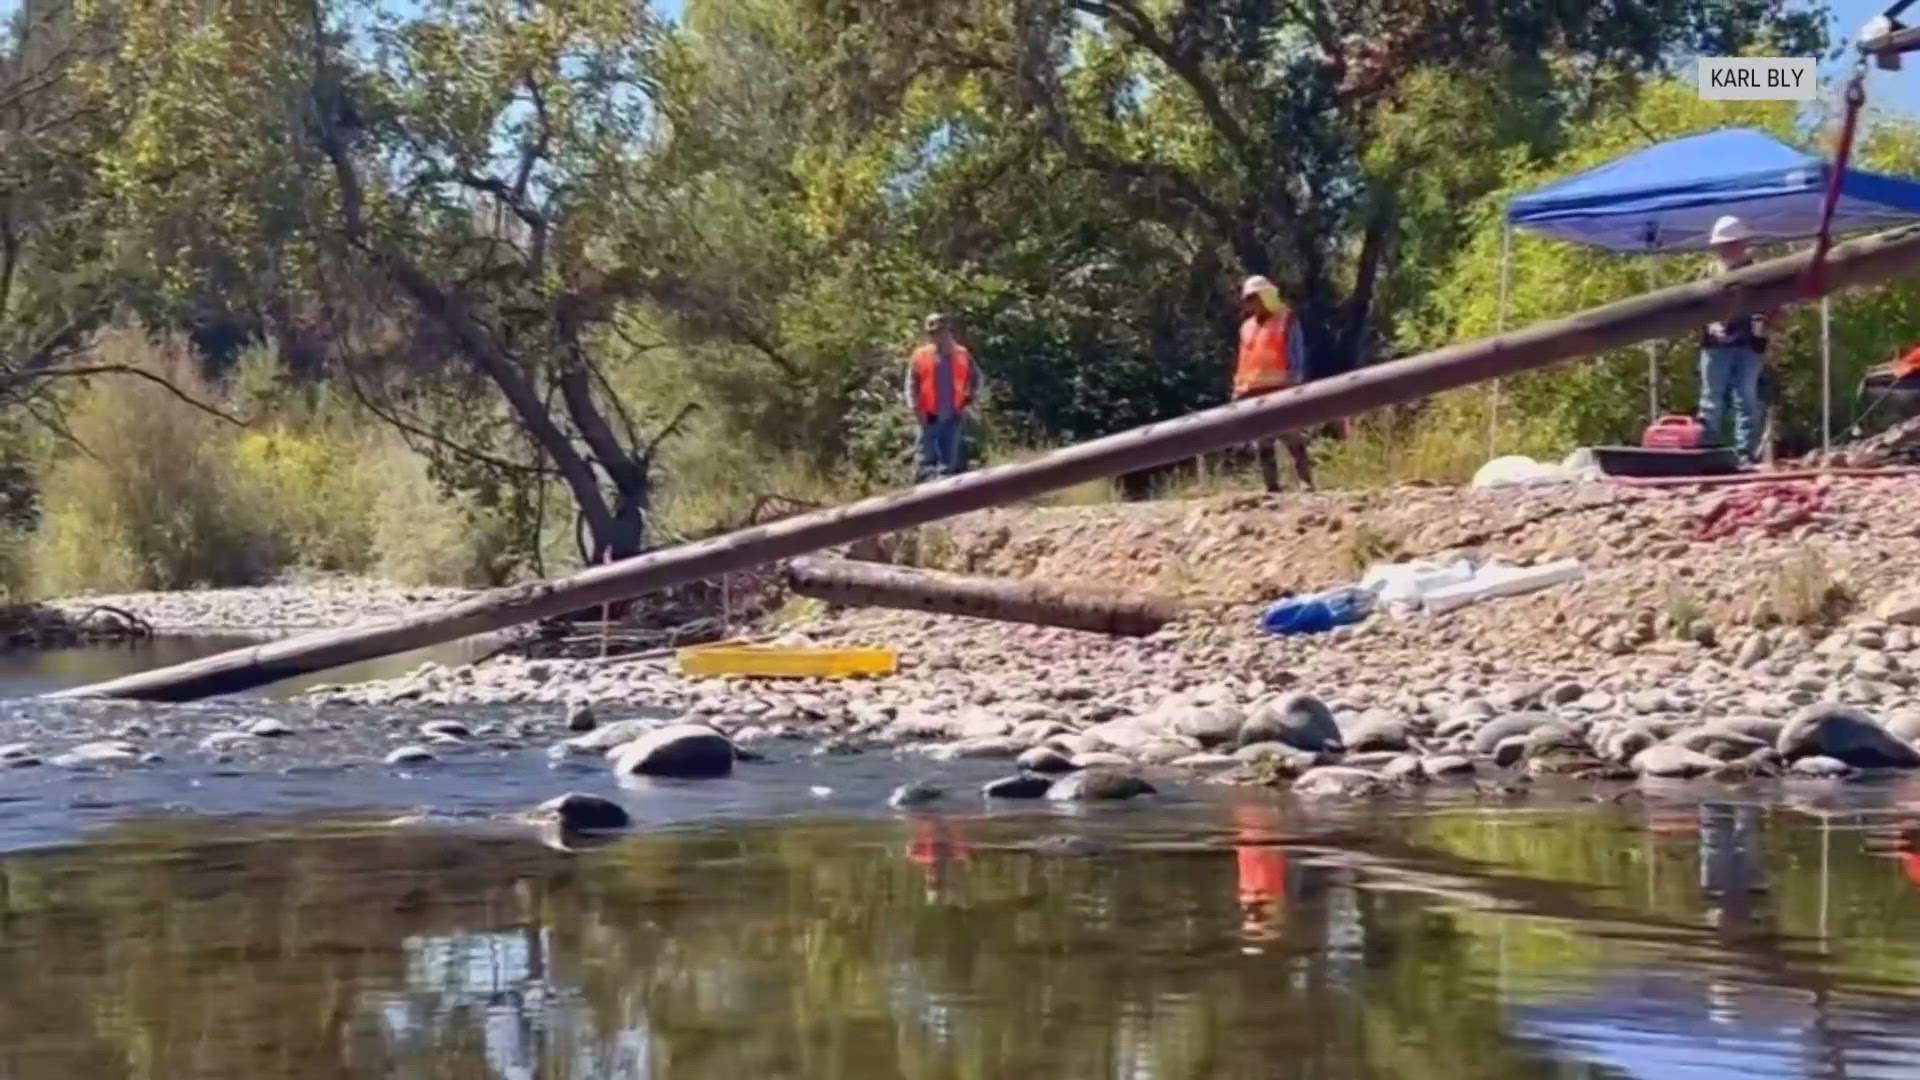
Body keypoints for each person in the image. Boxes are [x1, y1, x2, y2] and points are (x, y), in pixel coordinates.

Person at [1699, 215, 1771, 465]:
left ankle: (1745, 453)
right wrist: (1711, 323)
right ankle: (1708, 451)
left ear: (1743, 243)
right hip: (1716, 343)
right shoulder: (1709, 272)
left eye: (1729, 243)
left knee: (1746, 399)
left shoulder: (1760, 272)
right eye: (1721, 244)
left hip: (1749, 342)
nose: (1723, 249)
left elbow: (1774, 305)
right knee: (1711, 399)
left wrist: (1767, 324)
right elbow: (1698, 305)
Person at [1232, 276, 1314, 493]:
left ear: (1266, 297)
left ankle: (1306, 482)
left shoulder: (1286, 319)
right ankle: (1272, 487)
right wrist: (1238, 390)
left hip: (1282, 389)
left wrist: (1296, 383)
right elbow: (1244, 359)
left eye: (1254, 298)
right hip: (1253, 392)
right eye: (1247, 299)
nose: (1250, 304)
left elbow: (1296, 354)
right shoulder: (1246, 327)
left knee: (1293, 438)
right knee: (1263, 443)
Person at [904, 313, 980, 480]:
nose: (935, 336)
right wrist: (915, 408)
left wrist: (969, 400)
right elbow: (911, 385)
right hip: (929, 415)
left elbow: (975, 378)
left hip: (954, 414)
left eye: (939, 331)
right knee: (926, 462)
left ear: (948, 331)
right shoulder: (920, 355)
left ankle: (945, 500)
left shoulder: (962, 354)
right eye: (931, 333)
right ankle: (924, 498)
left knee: (948, 464)